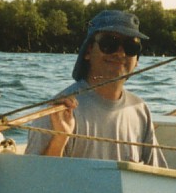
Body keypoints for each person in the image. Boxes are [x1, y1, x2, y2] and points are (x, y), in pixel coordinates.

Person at [24, 10, 166, 167]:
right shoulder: (56, 112)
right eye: (109, 44)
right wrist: (60, 139)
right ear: (88, 51)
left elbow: (157, 174)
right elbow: (37, 180)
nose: (120, 53)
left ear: (137, 60)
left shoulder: (140, 110)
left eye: (131, 47)